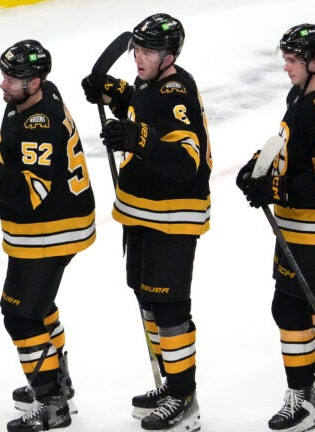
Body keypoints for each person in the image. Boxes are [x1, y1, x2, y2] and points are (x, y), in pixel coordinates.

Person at [0, 39, 96, 432]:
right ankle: (57, 382)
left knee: (20, 315)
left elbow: (30, 195)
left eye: (13, 79)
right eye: (5, 75)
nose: (3, 85)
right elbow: (8, 170)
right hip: (53, 222)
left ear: (36, 81)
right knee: (39, 305)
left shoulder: (39, 122)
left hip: (52, 229)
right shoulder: (25, 104)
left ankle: (52, 404)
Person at [81, 13, 208, 431]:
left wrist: (138, 139)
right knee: (149, 299)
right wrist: (115, 93)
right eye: (136, 48)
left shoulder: (176, 92)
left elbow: (186, 162)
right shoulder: (150, 81)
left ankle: (183, 396)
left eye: (148, 51)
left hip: (172, 218)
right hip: (143, 211)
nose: (138, 56)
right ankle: (172, 383)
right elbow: (141, 106)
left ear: (169, 56)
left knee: (170, 308)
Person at [236, 23, 315, 432]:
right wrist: (257, 166)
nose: (286, 67)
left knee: (290, 306)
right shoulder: (300, 95)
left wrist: (274, 186)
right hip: (299, 225)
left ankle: (301, 400)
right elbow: (286, 142)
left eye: (293, 60)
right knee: (309, 302)